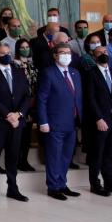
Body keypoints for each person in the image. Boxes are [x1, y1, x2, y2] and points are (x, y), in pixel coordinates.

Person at [0, 43, 31, 203]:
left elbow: (26, 96)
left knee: (13, 156)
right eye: (3, 53)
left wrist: (18, 114)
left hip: (17, 123)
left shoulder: (19, 72)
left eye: (8, 52)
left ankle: (13, 188)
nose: (7, 55)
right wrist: (8, 114)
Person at [37, 43, 84, 201]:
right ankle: (53, 187)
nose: (66, 55)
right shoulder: (48, 73)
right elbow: (42, 99)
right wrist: (43, 121)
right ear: (55, 56)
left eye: (68, 52)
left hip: (72, 122)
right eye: (62, 52)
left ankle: (62, 184)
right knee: (54, 156)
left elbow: (77, 98)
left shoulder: (75, 73)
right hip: (54, 122)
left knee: (66, 156)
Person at [82, 45, 112, 196]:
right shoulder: (90, 74)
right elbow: (90, 99)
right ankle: (95, 184)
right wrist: (98, 118)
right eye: (99, 53)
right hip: (100, 121)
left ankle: (110, 182)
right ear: (94, 56)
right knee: (97, 154)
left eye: (105, 52)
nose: (103, 54)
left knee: (110, 154)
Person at [12, 38, 38, 172]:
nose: (25, 49)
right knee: (18, 135)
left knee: (27, 135)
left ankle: (24, 160)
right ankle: (15, 161)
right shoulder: (14, 64)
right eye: (22, 47)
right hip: (19, 104)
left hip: (32, 103)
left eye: (27, 47)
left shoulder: (32, 64)